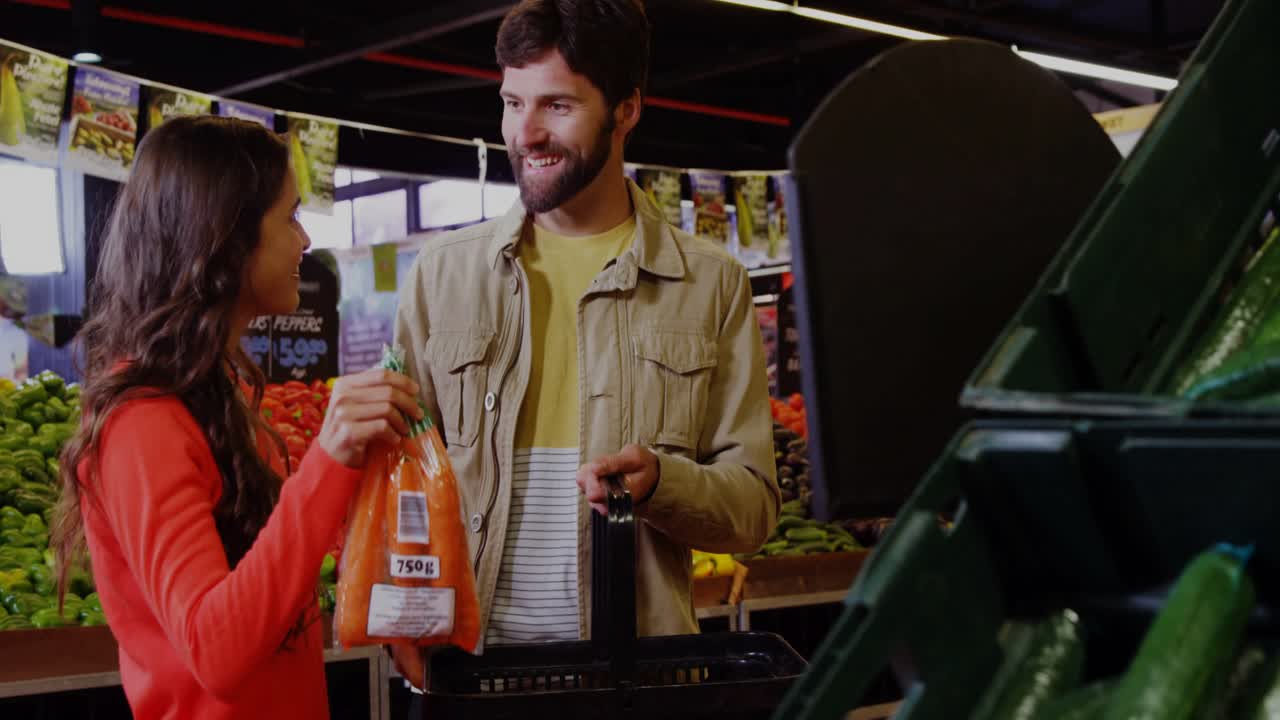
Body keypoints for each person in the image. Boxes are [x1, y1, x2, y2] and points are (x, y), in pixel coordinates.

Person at [392, 0, 779, 692]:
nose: (526, 132)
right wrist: (399, 613)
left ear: (627, 109)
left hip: (638, 683)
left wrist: (664, 482)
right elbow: (399, 481)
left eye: (557, 106)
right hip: (477, 679)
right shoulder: (443, 276)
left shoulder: (710, 284)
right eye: (512, 102)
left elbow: (752, 509)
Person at [51, 115, 422, 720]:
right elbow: (217, 651)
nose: (305, 241)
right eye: (290, 217)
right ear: (225, 238)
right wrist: (328, 459)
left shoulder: (214, 396)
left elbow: (266, 583)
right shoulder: (144, 422)